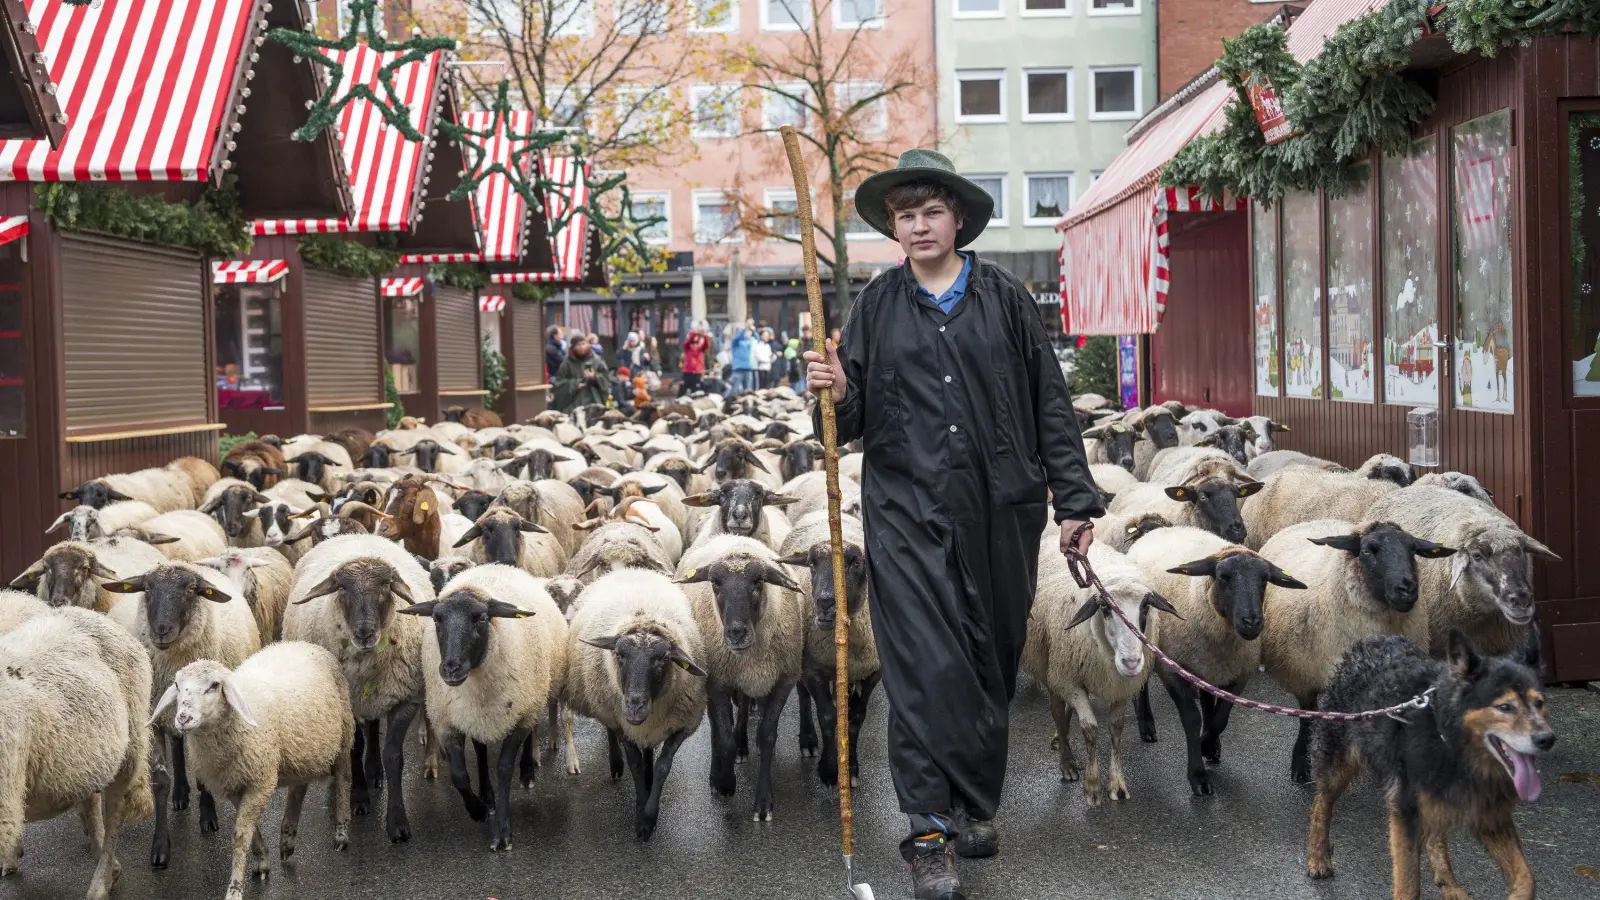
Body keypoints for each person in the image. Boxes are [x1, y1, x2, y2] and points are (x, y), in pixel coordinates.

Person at [803, 148, 1101, 900]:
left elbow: (1050, 407)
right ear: (894, 228)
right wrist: (834, 393)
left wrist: (1075, 503)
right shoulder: (875, 307)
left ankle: (973, 806)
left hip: (1000, 507)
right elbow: (846, 427)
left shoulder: (1005, 300)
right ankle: (927, 831)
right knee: (922, 670)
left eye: (931, 211)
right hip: (906, 514)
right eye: (906, 215)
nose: (918, 225)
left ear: (958, 219)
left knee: (989, 664)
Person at [552, 336, 610, 412]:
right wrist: (575, 384)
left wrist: (594, 377)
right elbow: (559, 384)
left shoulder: (597, 360)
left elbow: (606, 379)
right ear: (573, 347)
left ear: (588, 345)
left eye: (583, 344)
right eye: (578, 345)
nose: (581, 347)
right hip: (573, 403)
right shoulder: (567, 363)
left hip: (594, 400)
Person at [729, 319, 758, 395]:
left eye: (749, 332)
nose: (748, 333)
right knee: (735, 391)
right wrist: (746, 327)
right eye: (746, 332)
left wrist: (753, 331)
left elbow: (757, 339)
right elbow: (737, 337)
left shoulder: (749, 342)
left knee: (748, 392)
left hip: (748, 369)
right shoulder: (736, 342)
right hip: (738, 369)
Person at [682, 321, 711, 394]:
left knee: (696, 389)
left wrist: (705, 335)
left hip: (698, 370)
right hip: (688, 370)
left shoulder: (701, 348)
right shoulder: (688, 346)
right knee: (684, 388)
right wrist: (695, 332)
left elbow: (707, 344)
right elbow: (688, 341)